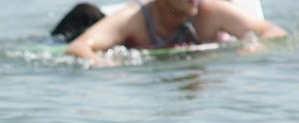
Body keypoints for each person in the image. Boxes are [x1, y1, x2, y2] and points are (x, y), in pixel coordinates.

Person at [65, 0, 287, 64]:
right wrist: (104, 64)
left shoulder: (209, 10)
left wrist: (254, 46)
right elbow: (78, 47)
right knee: (83, 14)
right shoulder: (135, 18)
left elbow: (272, 31)